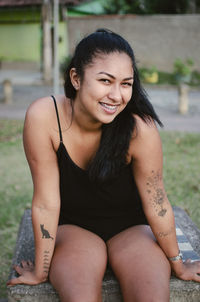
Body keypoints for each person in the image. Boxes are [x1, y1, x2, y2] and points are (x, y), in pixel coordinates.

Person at [7, 29, 200, 302]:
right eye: (105, 81)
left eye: (126, 83)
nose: (117, 95)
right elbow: (45, 203)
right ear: (76, 78)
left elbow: (157, 204)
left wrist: (179, 263)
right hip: (74, 230)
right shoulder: (44, 117)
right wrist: (41, 271)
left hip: (131, 230)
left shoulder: (139, 129)